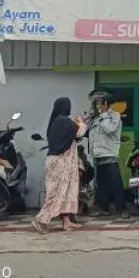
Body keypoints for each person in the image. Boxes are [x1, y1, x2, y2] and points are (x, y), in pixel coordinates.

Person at [32, 97, 87, 234]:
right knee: (56, 194)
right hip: (60, 163)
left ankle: (67, 222)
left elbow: (72, 136)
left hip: (56, 161)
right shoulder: (64, 121)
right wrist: (80, 122)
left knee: (64, 192)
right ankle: (40, 220)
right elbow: (80, 132)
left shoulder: (55, 122)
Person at [88, 89, 128, 218]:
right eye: (95, 103)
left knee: (116, 184)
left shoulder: (114, 115)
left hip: (110, 155)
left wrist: (103, 115)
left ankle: (122, 209)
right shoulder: (95, 118)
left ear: (106, 103)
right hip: (98, 156)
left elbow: (110, 130)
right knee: (101, 186)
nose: (97, 105)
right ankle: (104, 208)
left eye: (100, 102)